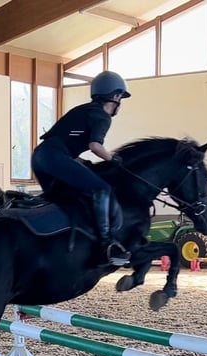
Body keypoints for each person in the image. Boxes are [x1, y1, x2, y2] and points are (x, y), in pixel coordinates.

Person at [31, 70, 132, 266]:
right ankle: (106, 244)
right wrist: (113, 158)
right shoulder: (103, 116)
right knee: (102, 189)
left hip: (40, 157)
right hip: (55, 157)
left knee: (63, 197)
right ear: (115, 96)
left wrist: (79, 161)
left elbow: (65, 141)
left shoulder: (83, 109)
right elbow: (95, 146)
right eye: (121, 98)